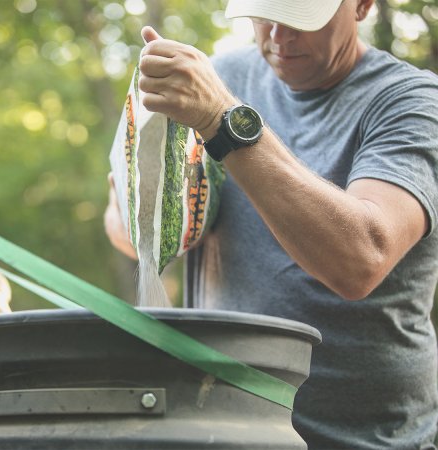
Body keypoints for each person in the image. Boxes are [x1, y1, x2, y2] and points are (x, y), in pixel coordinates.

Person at [104, 0, 438, 448]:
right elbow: (151, 237)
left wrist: (223, 121)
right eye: (265, 17)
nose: (279, 38)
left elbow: (361, 260)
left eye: (300, 21)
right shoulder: (222, 76)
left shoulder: (411, 103)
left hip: (366, 437)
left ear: (361, 6)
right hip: (224, 429)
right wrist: (134, 210)